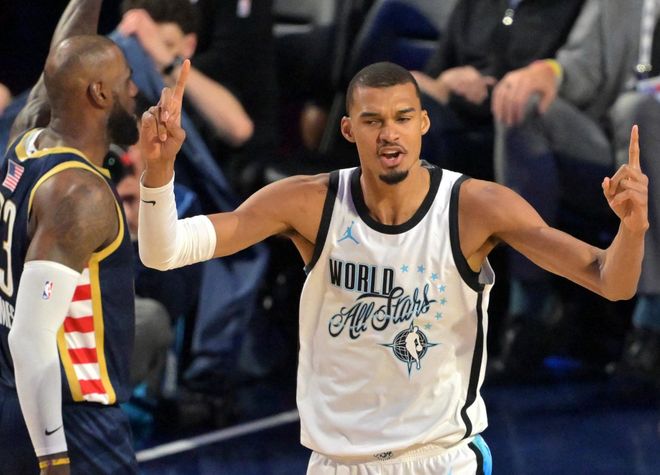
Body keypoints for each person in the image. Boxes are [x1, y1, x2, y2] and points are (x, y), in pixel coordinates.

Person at [138, 61, 647, 474]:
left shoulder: (475, 208)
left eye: (403, 118)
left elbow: (612, 281)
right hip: (337, 463)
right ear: (348, 128)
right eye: (373, 121)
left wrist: (632, 229)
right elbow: (163, 252)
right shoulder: (308, 203)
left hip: (440, 461)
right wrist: (158, 175)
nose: (390, 134)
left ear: (424, 123)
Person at [0, 0, 139, 473]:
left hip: (15, 397)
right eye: (126, 81)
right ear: (99, 93)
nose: (135, 90)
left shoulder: (27, 139)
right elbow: (31, 336)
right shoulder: (80, 193)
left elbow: (59, 65)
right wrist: (54, 457)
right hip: (71, 415)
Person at [490, 0, 660, 381]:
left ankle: (653, 321)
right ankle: (532, 307)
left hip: (649, 137)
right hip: (610, 143)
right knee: (522, 105)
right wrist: (548, 72)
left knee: (639, 110)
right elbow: (580, 66)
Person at [411, 0, 586, 180]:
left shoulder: (572, 8)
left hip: (512, 128)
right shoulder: (472, 5)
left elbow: (561, 85)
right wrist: (445, 82)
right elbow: (435, 70)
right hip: (451, 113)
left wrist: (452, 92)